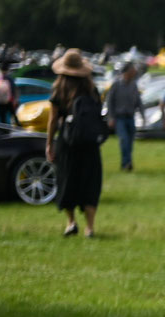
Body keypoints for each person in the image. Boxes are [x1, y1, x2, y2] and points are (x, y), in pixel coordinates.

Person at [45, 50, 103, 238]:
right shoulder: (91, 89)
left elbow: (53, 120)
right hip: (89, 143)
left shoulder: (59, 89)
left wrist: (49, 144)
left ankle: (71, 223)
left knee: (67, 180)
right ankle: (90, 227)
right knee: (90, 182)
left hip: (68, 142)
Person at [105, 62, 142, 171]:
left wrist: (142, 114)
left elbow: (138, 101)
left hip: (130, 117)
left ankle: (126, 162)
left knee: (130, 142)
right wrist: (111, 117)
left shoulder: (133, 85)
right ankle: (127, 163)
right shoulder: (116, 85)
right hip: (119, 118)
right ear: (127, 72)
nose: (134, 73)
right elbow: (109, 101)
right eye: (132, 71)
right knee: (124, 140)